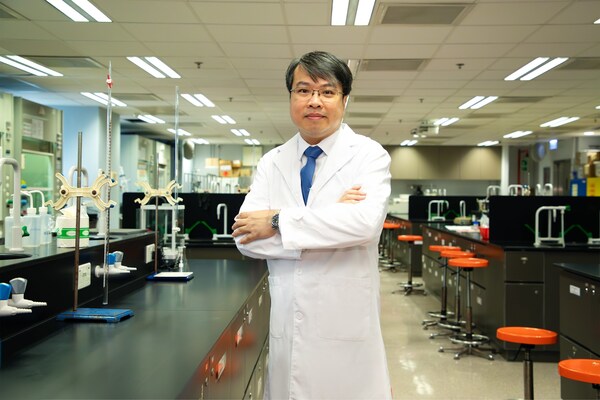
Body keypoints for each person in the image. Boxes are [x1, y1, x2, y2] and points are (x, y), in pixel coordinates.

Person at [232, 51, 392, 399]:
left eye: (327, 91)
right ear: (291, 97)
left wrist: (277, 221)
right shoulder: (272, 162)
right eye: (303, 90)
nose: (314, 101)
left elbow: (363, 225)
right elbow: (245, 238)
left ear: (344, 100)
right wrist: (333, 219)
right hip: (289, 327)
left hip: (346, 327)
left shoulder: (369, 155)